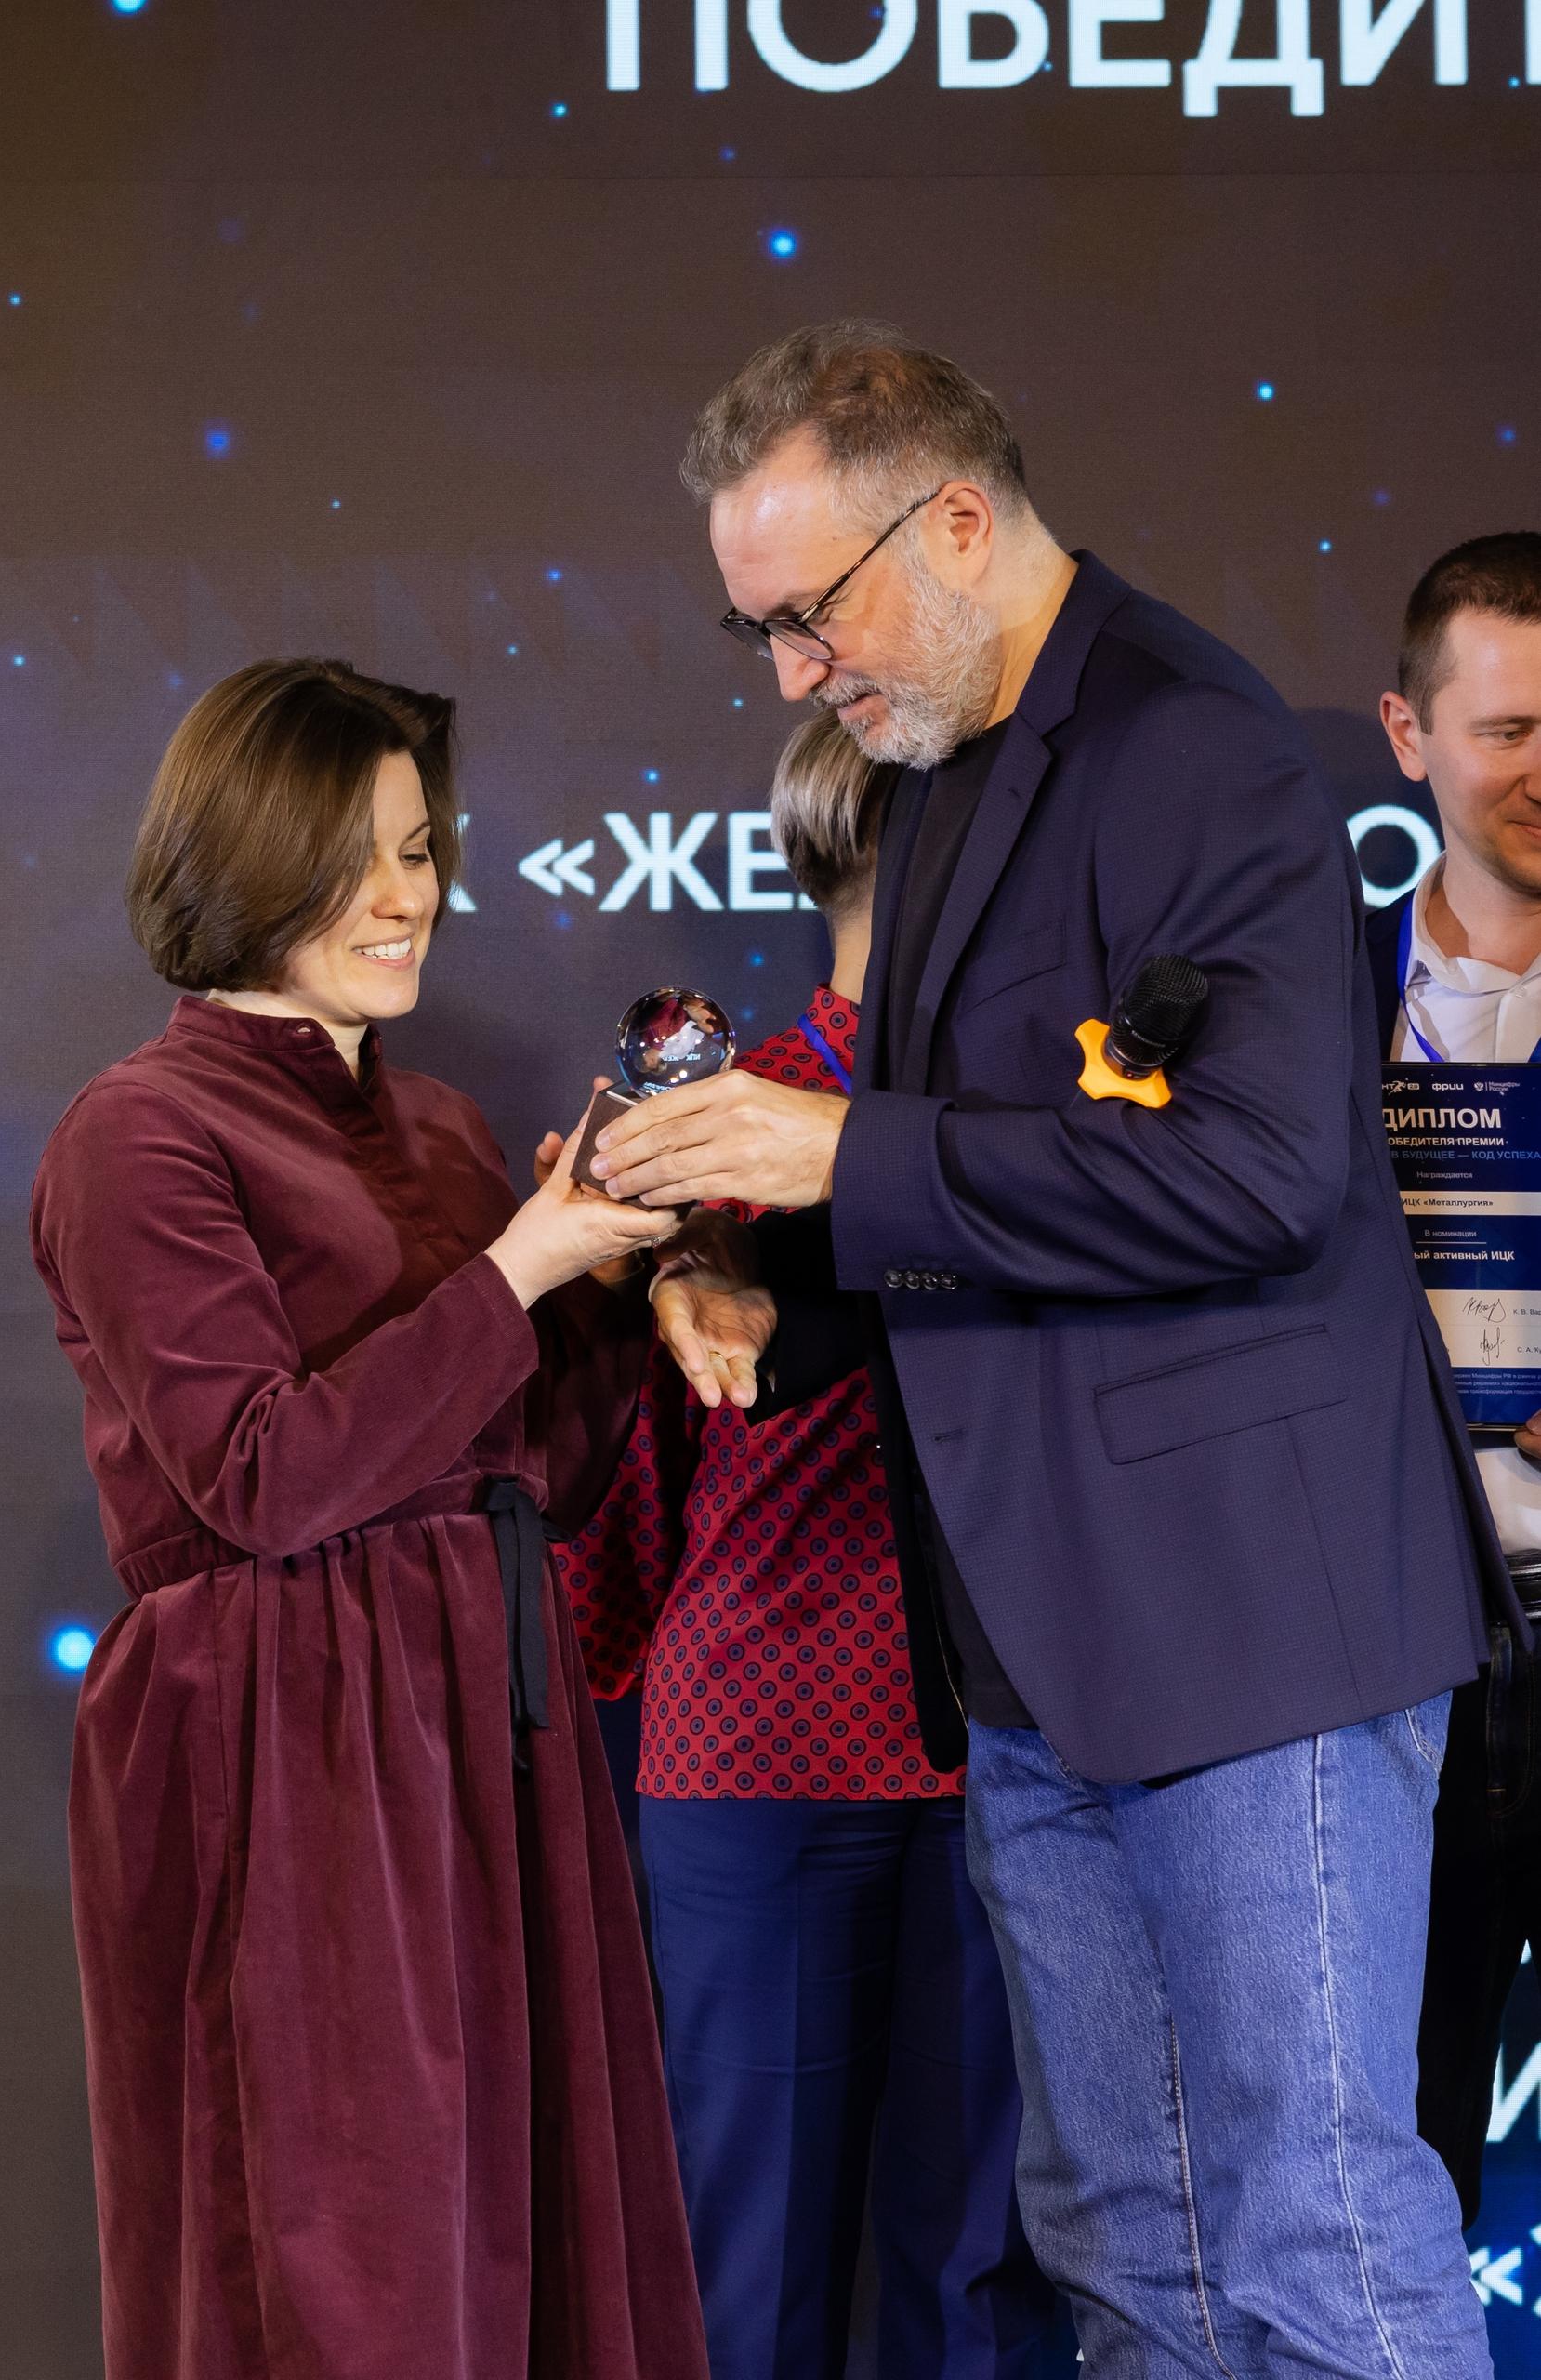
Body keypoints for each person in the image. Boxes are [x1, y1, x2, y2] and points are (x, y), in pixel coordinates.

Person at [589, 322, 1518, 2374]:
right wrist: (776, 1301)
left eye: (809, 616)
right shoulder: (940, 773)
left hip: (1253, 1638)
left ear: (952, 522)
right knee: (1122, 2249)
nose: (790, 677)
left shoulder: (1190, 742)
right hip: (1035, 1657)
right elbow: (986, 1191)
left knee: (1310, 2234)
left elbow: (1261, 1174)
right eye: (757, 630)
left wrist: (844, 1151)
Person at [28, 659, 706, 2380]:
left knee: (522, 2243)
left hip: (493, 1726)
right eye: (353, 859)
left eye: (416, 850)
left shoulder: (444, 1124)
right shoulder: (138, 1132)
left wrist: (611, 1287)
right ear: (242, 861)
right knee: (343, 2259)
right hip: (283, 1743)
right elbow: (259, 1474)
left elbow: (540, 1471)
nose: (405, 898)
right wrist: (520, 1267)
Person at [561, 707, 1072, 2380]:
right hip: (775, 1747)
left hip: (1008, 1747)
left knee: (982, 2263)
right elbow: (613, 1473)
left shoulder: (1051, 1135)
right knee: (755, 2265)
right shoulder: (711, 1123)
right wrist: (647, 1277)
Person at [1371, 532, 1541, 2225]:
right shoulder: (1309, 998)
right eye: (1507, 731)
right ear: (1409, 736)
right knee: (1395, 2170)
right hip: (1394, 1665)